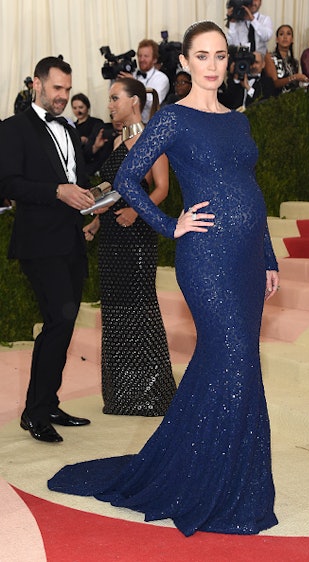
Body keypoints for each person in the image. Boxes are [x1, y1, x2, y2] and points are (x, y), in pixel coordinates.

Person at [48, 21, 279, 537]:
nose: (214, 65)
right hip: (207, 258)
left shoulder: (238, 122)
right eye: (203, 56)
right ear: (186, 64)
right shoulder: (173, 119)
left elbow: (250, 188)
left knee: (232, 361)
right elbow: (129, 178)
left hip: (246, 259)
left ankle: (227, 472)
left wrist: (269, 258)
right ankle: (211, 480)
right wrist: (170, 225)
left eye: (221, 56)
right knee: (234, 355)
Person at [0, 56, 95, 443]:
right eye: (57, 88)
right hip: (39, 243)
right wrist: (58, 191)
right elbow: (8, 183)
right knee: (58, 322)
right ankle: (34, 413)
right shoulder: (13, 128)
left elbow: (79, 179)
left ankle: (47, 401)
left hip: (72, 237)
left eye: (68, 90)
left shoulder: (69, 131)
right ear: (36, 85)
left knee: (66, 323)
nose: (63, 96)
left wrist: (94, 208)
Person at [83, 78, 176, 416]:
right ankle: (123, 395)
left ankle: (154, 393)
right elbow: (113, 190)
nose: (109, 105)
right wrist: (95, 219)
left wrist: (137, 211)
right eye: (109, 99)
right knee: (116, 312)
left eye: (114, 98)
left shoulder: (152, 140)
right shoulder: (118, 142)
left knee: (140, 309)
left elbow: (162, 188)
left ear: (134, 101)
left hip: (136, 240)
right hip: (110, 240)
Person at [120, 39, 170, 122]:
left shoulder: (161, 78)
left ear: (154, 59)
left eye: (146, 56)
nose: (142, 59)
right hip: (130, 125)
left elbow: (152, 103)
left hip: (150, 125)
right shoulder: (133, 74)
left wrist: (134, 85)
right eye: (139, 56)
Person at [265, 25, 309, 94]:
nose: (285, 37)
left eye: (288, 34)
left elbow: (294, 85)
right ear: (277, 39)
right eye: (281, 34)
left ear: (292, 39)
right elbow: (274, 83)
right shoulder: (270, 57)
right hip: (275, 99)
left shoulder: (294, 62)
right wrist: (294, 77)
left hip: (292, 99)